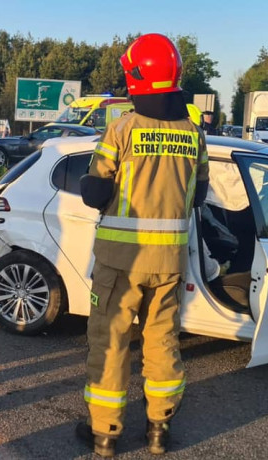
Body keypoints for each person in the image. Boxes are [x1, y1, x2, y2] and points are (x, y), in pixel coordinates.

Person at [77, 33, 209, 457]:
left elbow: (95, 194)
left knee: (110, 341)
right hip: (169, 262)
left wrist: (91, 180)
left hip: (120, 262)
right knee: (162, 341)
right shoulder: (193, 134)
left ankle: (106, 433)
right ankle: (158, 430)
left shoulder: (121, 129)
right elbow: (200, 194)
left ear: (136, 78)